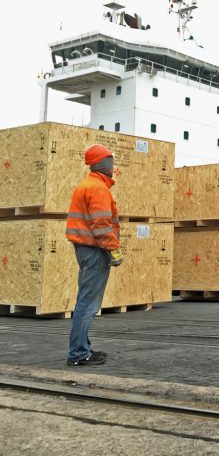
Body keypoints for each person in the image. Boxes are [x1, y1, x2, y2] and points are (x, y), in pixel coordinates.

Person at [65, 144, 124, 367]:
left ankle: (83, 349)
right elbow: (101, 226)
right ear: (102, 163)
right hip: (94, 250)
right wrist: (114, 250)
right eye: (110, 160)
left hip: (86, 249)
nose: (113, 164)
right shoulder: (98, 188)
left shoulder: (87, 185)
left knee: (86, 300)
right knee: (88, 303)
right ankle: (78, 354)